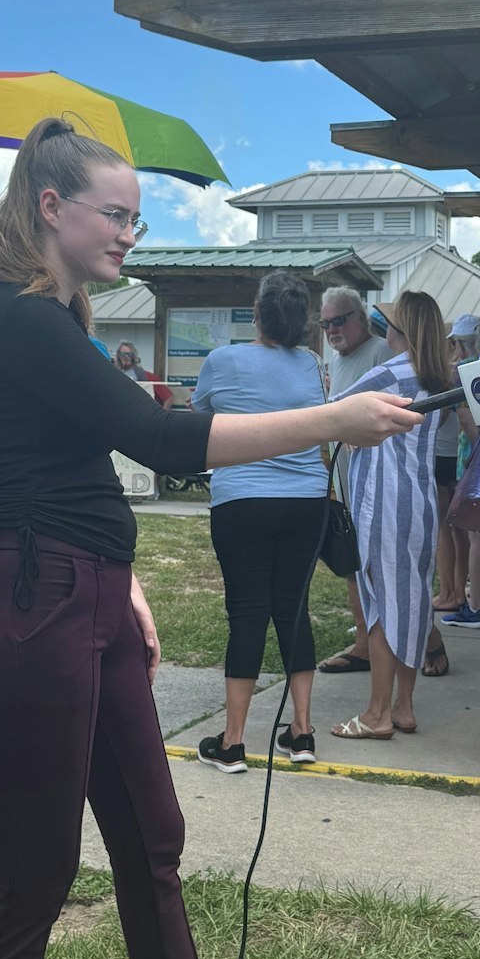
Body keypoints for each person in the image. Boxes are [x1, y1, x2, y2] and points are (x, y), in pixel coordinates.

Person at [0, 117, 417, 959]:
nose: (129, 236)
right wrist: (334, 417)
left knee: (151, 825)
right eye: (116, 214)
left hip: (79, 594)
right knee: (38, 869)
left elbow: (72, 470)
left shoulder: (53, 324)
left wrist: (121, 582)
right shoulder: (14, 320)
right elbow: (163, 446)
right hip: (24, 608)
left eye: (137, 219)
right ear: (51, 206)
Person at [190, 272, 328, 769]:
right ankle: (303, 731)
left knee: (247, 613)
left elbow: (200, 412)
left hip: (242, 499)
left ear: (257, 312)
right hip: (306, 500)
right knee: (294, 608)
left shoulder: (221, 360)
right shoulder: (314, 365)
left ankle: (233, 741)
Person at [329, 291, 451, 741]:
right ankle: (403, 705)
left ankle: (377, 713)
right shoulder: (443, 376)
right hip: (420, 502)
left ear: (400, 331)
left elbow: (333, 413)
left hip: (379, 501)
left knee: (380, 604)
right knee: (414, 601)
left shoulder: (389, 373)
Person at [317, 286, 386, 676]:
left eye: (339, 320)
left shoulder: (380, 353)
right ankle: (363, 642)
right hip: (345, 479)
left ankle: (426, 641)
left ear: (360, 318)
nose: (332, 329)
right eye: (325, 323)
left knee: (380, 565)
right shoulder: (336, 360)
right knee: (351, 561)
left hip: (376, 482)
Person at [434, 315, 480, 624]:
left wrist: (478, 459)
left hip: (473, 457)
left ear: (459, 343)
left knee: (474, 534)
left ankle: (474, 604)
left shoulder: (464, 372)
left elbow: (468, 420)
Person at [114, 339, 173, 406]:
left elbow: (167, 397)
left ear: (133, 356)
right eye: (123, 354)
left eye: (129, 354)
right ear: (119, 355)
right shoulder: (114, 373)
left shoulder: (142, 374)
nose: (126, 357)